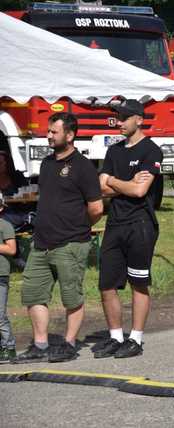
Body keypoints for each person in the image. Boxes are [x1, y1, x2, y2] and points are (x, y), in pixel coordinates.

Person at [15, 112, 103, 363]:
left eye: (54, 132)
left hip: (71, 243)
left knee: (71, 296)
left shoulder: (83, 167)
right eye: (48, 131)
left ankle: (68, 343)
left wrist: (77, 227)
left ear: (70, 135)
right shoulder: (46, 163)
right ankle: (40, 345)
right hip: (42, 243)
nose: (48, 135)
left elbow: (96, 208)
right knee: (33, 293)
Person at [93, 99, 163, 359]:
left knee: (138, 282)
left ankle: (135, 338)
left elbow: (139, 190)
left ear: (139, 120)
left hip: (140, 225)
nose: (118, 122)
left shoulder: (151, 151)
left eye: (123, 118)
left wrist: (113, 181)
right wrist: (120, 182)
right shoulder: (114, 151)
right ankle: (115, 336)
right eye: (116, 118)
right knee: (106, 284)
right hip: (115, 223)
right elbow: (100, 187)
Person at [0, 196, 16, 362]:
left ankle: (9, 347)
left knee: (0, 315)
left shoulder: (5, 225)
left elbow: (12, 249)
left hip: (0, 275)